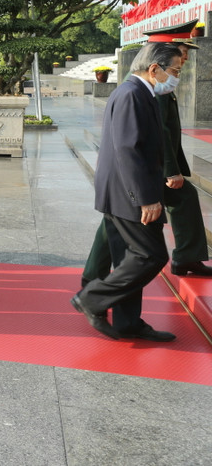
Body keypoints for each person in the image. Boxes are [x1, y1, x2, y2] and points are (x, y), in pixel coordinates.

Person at [72, 43, 183, 341]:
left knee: (127, 258)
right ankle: (91, 299)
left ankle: (127, 322)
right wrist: (145, 198)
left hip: (123, 191)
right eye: (174, 71)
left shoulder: (138, 93)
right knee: (151, 255)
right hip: (128, 194)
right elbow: (128, 149)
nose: (176, 77)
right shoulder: (133, 94)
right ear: (154, 69)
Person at [81, 31, 212, 284]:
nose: (183, 60)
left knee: (113, 223)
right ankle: (94, 292)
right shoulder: (145, 89)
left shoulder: (150, 85)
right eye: (180, 54)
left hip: (145, 171)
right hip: (149, 171)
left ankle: (92, 281)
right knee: (141, 244)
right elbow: (145, 139)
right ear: (157, 63)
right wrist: (170, 171)